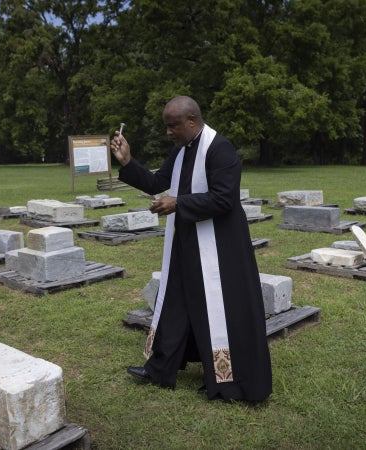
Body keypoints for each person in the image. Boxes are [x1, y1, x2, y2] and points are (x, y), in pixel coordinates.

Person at [111, 95, 272, 402]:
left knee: (221, 311)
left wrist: (178, 202)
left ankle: (228, 382)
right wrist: (128, 162)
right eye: (166, 127)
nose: (168, 133)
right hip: (187, 241)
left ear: (192, 121)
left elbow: (225, 198)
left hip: (220, 247)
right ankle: (160, 368)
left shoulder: (220, 148)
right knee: (175, 302)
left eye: (173, 126)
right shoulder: (181, 150)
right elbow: (158, 181)